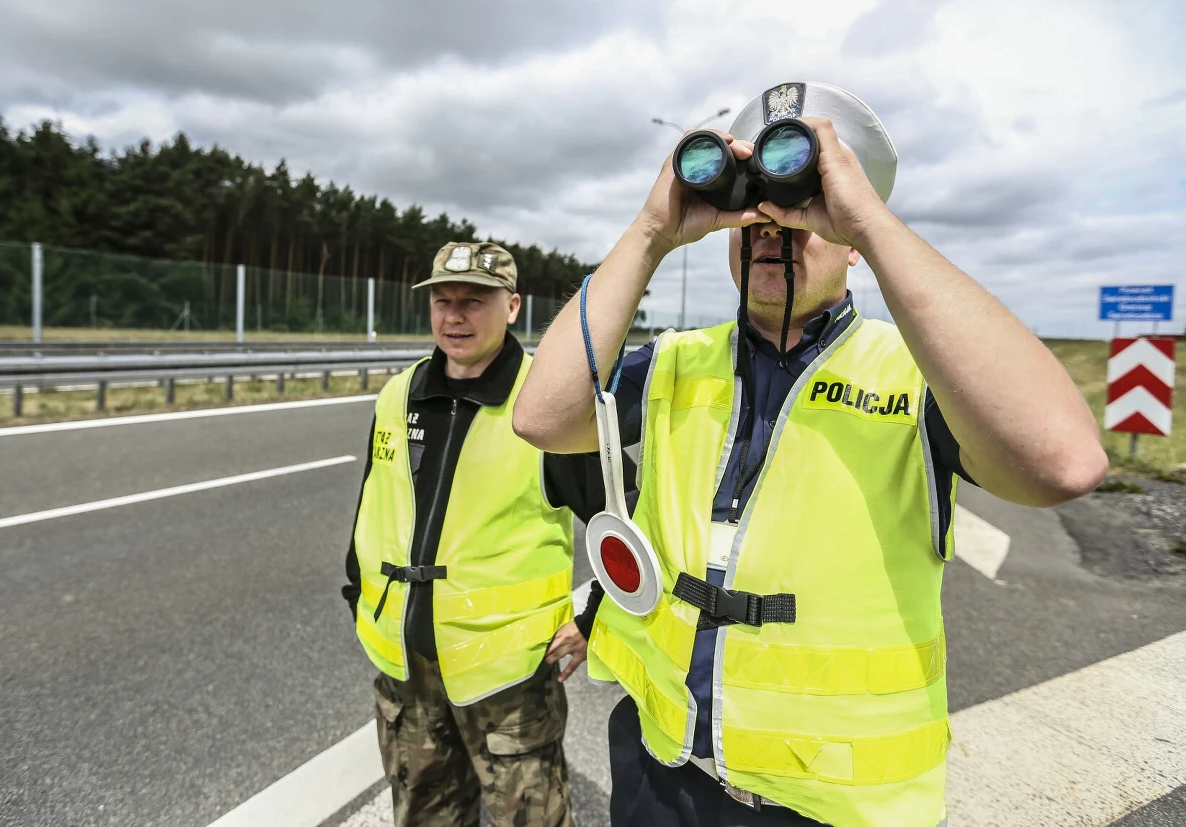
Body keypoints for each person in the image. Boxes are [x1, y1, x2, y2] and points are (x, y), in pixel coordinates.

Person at [512, 82, 1108, 827]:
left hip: (830, 809)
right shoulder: (676, 361)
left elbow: (1062, 462)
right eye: (756, 215)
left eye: (802, 209)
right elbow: (541, 415)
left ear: (852, 233)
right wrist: (649, 233)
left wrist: (871, 223)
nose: (773, 229)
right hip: (660, 776)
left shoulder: (914, 378)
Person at [342, 241, 620, 827]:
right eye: (443, 300)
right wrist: (357, 596)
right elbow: (374, 502)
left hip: (509, 678)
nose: (455, 315)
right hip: (407, 667)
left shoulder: (545, 403)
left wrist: (597, 615)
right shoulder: (400, 393)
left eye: (474, 300)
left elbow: (627, 519)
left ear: (513, 307)